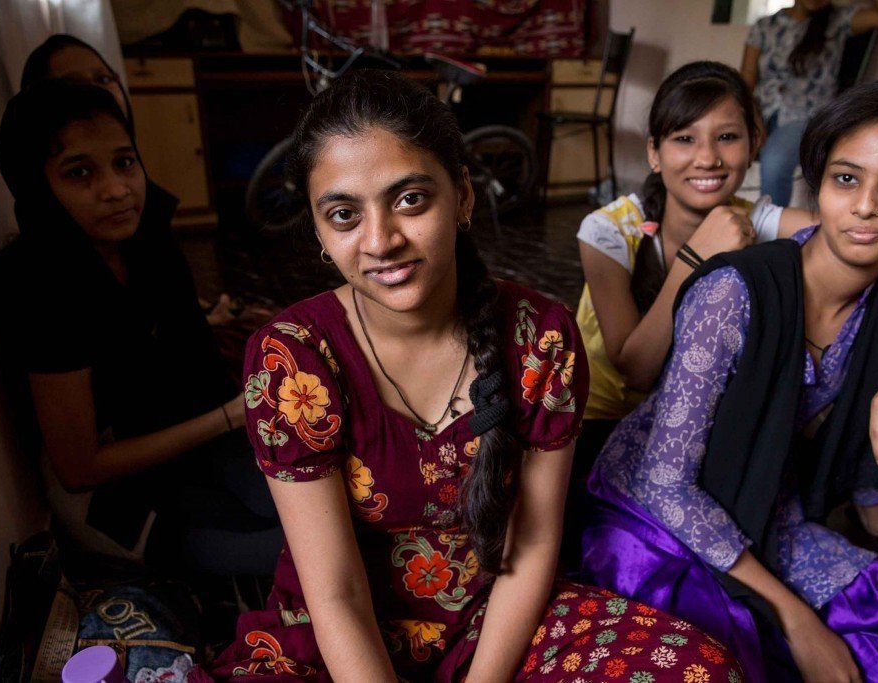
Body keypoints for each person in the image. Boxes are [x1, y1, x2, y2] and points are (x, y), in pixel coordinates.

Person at [191, 70, 742, 682]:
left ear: (464, 196)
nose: (382, 240)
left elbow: (529, 549)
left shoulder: (541, 337)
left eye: (409, 199)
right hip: (338, 641)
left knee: (696, 671)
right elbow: (337, 593)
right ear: (321, 230)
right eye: (344, 214)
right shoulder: (292, 360)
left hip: (497, 621)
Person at [581, 76, 878, 682]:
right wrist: (794, 618)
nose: (866, 205)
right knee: (745, 657)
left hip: (767, 506)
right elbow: (662, 483)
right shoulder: (732, 294)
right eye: (845, 179)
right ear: (818, 183)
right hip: (652, 520)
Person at [572, 62, 878, 562]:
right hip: (605, 424)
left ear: (754, 145)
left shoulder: (758, 218)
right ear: (654, 153)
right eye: (684, 139)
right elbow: (635, 372)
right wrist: (694, 260)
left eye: (727, 137)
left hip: (708, 423)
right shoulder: (608, 230)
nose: (706, 158)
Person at [0, 80, 281, 573]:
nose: (116, 189)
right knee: (302, 553)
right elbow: (80, 469)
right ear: (36, 185)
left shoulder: (146, 242)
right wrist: (233, 416)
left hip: (193, 439)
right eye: (80, 173)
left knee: (332, 506)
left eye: (125, 162)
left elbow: (195, 367)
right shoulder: (36, 286)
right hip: (119, 502)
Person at [20, 33, 240, 324]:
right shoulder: (46, 279)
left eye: (104, 79)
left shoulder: (148, 212)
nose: (116, 190)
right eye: (80, 172)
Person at [740, 0, 878, 207]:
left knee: (775, 161)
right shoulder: (765, 25)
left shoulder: (838, 21)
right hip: (762, 111)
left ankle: (769, 230)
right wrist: (750, 116)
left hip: (805, 117)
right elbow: (746, 77)